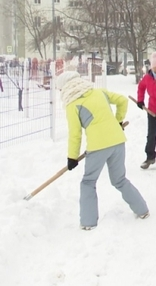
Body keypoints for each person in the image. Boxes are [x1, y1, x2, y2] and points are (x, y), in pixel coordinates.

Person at [56, 70, 149, 230]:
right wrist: (117, 121)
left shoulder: (72, 104)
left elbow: (75, 133)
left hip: (98, 146)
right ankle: (142, 210)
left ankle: (88, 222)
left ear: (65, 88)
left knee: (88, 182)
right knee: (119, 180)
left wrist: (72, 157)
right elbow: (122, 101)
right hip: (118, 141)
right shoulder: (99, 92)